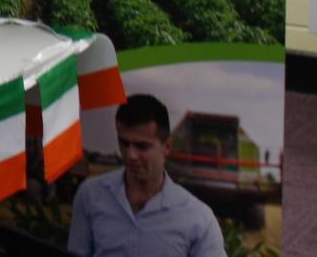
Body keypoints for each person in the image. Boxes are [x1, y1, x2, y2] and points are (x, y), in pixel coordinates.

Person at [68, 94, 226, 257]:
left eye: (141, 146)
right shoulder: (90, 195)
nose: (131, 155)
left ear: (167, 146)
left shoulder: (198, 219)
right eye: (124, 143)